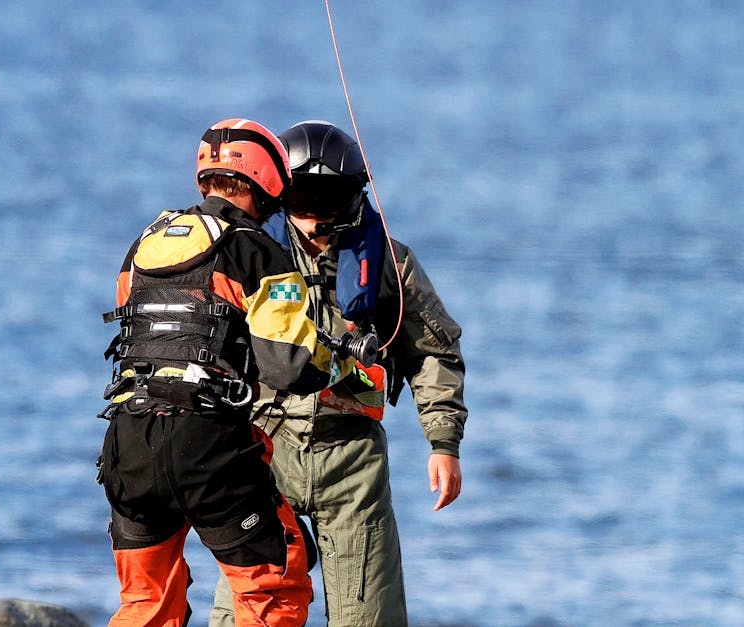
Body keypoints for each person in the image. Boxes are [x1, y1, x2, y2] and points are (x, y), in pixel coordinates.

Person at [98, 118, 360, 627]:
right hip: (208, 447)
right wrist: (343, 361)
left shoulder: (145, 243)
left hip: (128, 443)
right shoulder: (258, 251)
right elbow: (289, 366)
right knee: (274, 591)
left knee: (146, 604)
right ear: (267, 178)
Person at [210, 121, 468, 627]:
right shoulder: (247, 256)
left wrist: (444, 442)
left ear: (352, 198)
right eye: (301, 203)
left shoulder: (392, 263)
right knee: (249, 610)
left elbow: (434, 350)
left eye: (327, 204)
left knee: (369, 616)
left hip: (352, 459)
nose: (314, 220)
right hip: (265, 452)